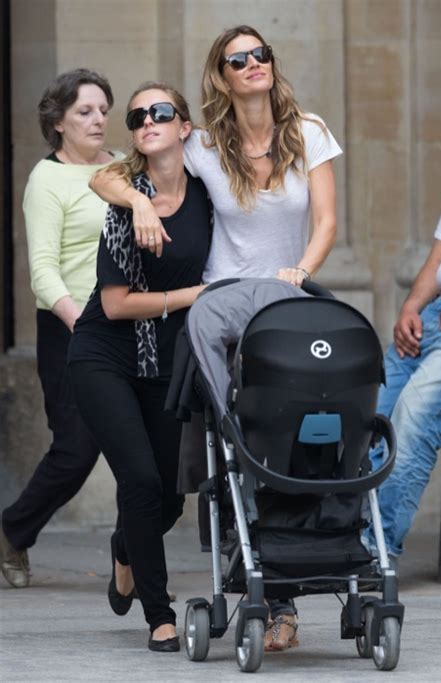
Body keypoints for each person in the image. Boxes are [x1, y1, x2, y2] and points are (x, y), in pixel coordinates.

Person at [91, 25, 342, 651]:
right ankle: (258, 590)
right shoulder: (203, 144)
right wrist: (141, 206)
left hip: (285, 312)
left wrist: (301, 272)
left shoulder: (308, 131)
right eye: (239, 59)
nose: (254, 63)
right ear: (222, 76)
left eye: (261, 54)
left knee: (286, 449)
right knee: (229, 456)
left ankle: (286, 595)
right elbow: (107, 178)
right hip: (220, 320)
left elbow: (328, 220)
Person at [68, 81, 212, 652]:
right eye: (136, 116)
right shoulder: (125, 201)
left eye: (160, 112)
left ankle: (126, 547)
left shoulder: (208, 194)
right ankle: (160, 613)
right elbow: (114, 304)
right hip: (105, 352)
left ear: (184, 128)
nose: (146, 121)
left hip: (167, 359)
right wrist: (191, 295)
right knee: (141, 481)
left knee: (173, 493)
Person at [0, 69, 119, 589]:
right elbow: (43, 270)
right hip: (70, 328)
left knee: (147, 453)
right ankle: (12, 531)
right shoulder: (46, 180)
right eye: (85, 112)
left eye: (102, 110)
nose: (98, 120)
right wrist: (82, 322)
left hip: (127, 322)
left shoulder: (122, 167)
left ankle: (136, 565)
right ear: (58, 122)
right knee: (76, 449)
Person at [365, 84, 441, 562]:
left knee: (412, 419)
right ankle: (349, 533)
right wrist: (409, 307)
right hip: (432, 315)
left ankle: (376, 546)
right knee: (374, 417)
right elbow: (439, 256)